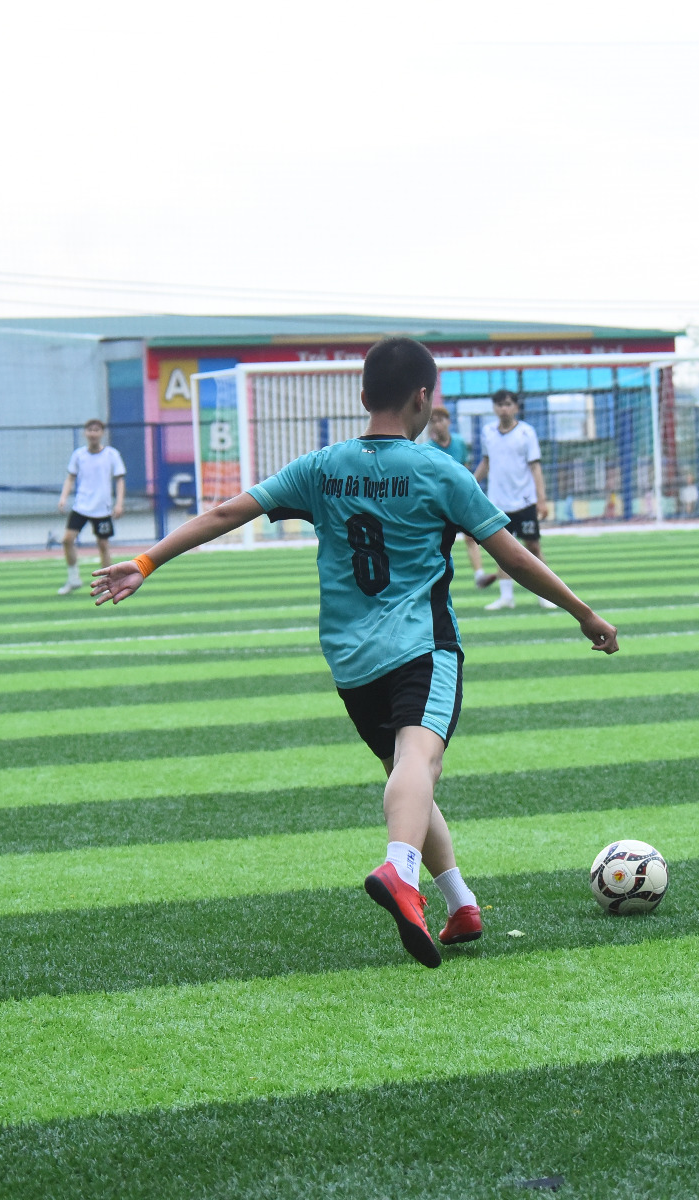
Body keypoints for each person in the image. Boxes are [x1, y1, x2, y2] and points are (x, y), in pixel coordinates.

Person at [91, 338, 619, 968]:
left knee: (407, 776)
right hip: (421, 645)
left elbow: (227, 512)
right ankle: (401, 870)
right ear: (423, 398)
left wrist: (146, 561)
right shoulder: (440, 470)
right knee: (418, 764)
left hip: (350, 659)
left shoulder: (322, 466)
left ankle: (461, 903)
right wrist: (583, 613)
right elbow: (515, 557)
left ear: (364, 395)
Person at [473, 389, 556, 611]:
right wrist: (471, 483)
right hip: (498, 503)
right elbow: (486, 462)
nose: (504, 409)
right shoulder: (488, 432)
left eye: (508, 404)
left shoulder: (527, 432)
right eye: (500, 405)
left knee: (533, 547)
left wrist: (541, 499)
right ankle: (506, 597)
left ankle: (546, 594)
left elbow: (535, 466)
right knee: (503, 552)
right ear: (494, 408)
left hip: (524, 501)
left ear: (516, 407)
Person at [56, 418, 127, 595]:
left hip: (102, 508)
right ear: (85, 433)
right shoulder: (79, 455)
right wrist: (63, 497)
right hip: (81, 506)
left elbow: (120, 480)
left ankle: (107, 584)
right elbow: (70, 477)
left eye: (96, 430)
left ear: (102, 433)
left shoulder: (111, 454)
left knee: (103, 545)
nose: (93, 433)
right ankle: (73, 579)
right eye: (90, 430)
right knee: (67, 540)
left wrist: (119, 503)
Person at [425, 405, 488, 585]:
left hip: (459, 498)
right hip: (440, 501)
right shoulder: (428, 448)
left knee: (470, 536)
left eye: (440, 420)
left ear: (449, 422)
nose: (437, 425)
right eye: (433, 421)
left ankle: (479, 574)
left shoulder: (459, 442)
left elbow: (465, 468)